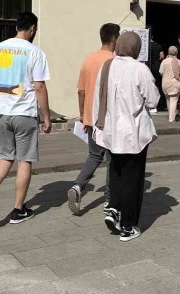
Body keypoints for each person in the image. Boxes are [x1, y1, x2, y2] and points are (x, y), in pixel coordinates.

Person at [0, 12, 51, 225]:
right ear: (32, 29)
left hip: (2, 112)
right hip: (24, 113)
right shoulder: (35, 52)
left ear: (16, 27)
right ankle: (18, 210)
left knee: (5, 157)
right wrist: (46, 117)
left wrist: (9, 89)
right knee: (24, 160)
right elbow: (39, 87)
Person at [93, 32, 159, 242]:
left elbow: (97, 98)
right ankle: (128, 226)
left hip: (111, 131)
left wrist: (97, 126)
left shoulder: (107, 67)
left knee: (116, 171)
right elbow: (153, 100)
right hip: (133, 132)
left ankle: (114, 208)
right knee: (133, 178)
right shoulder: (139, 69)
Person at [67, 23, 119, 216]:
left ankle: (78, 186)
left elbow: (81, 91)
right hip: (109, 118)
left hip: (90, 117)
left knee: (95, 156)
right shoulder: (114, 61)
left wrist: (83, 114)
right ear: (114, 38)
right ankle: (109, 200)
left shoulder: (88, 59)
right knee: (112, 159)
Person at [160, 46, 180, 123]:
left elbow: (161, 72)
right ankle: (171, 119)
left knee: (168, 100)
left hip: (165, 84)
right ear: (176, 52)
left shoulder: (164, 61)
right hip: (175, 84)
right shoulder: (179, 62)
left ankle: (170, 115)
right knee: (173, 100)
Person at [148, 33, 165, 112]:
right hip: (157, 66)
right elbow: (162, 56)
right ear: (152, 37)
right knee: (158, 84)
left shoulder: (146, 46)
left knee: (149, 85)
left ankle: (150, 103)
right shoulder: (158, 45)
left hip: (148, 66)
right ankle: (160, 103)